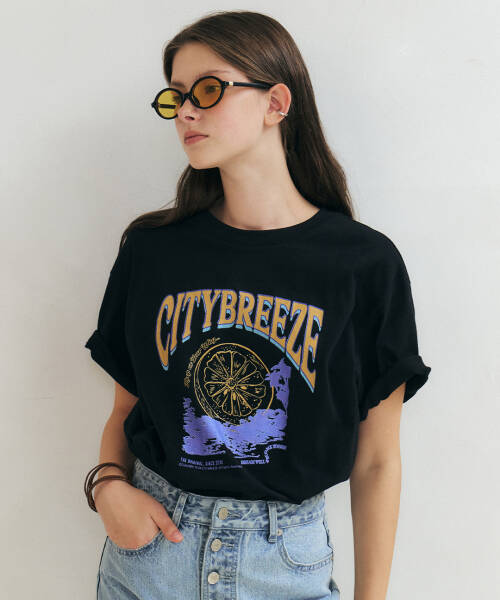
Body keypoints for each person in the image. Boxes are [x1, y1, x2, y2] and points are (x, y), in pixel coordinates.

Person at [83, 10, 431, 600]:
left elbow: (377, 461)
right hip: (152, 555)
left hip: (284, 564)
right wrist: (107, 487)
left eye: (208, 89)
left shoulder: (363, 264)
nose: (186, 111)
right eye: (176, 97)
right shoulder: (152, 251)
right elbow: (126, 407)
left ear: (276, 102)